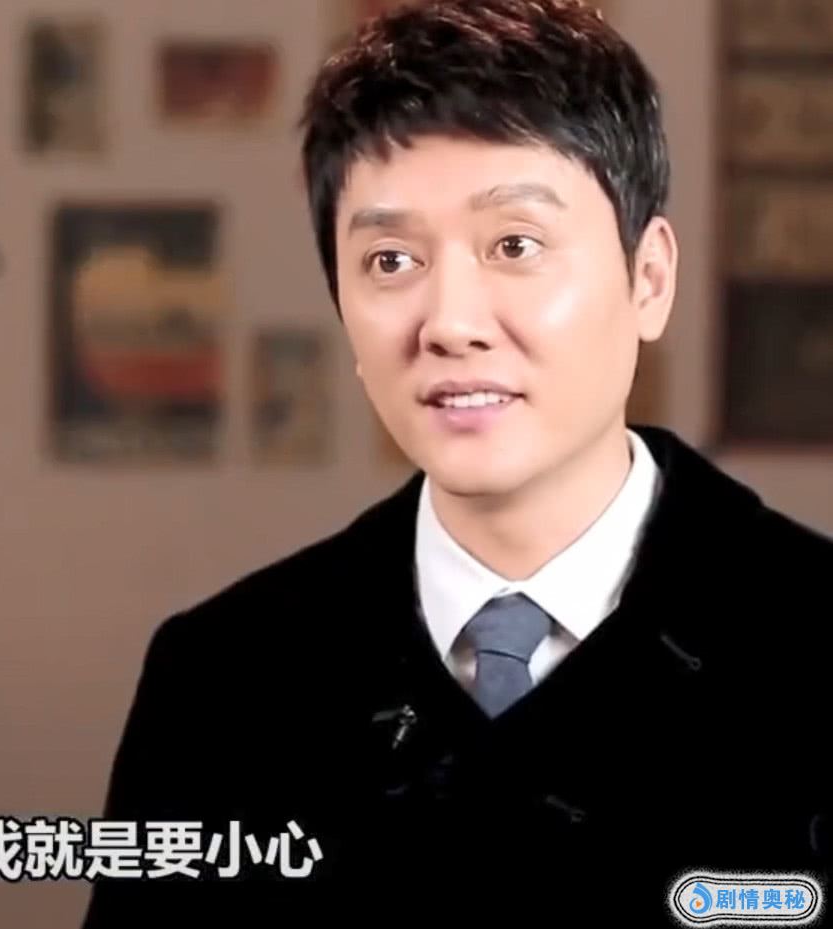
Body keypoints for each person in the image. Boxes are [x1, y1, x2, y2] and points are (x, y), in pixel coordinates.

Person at [81, 1, 833, 925]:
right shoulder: (223, 681)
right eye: (390, 260)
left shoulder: (815, 644)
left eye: (514, 246)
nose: (449, 323)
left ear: (648, 277)